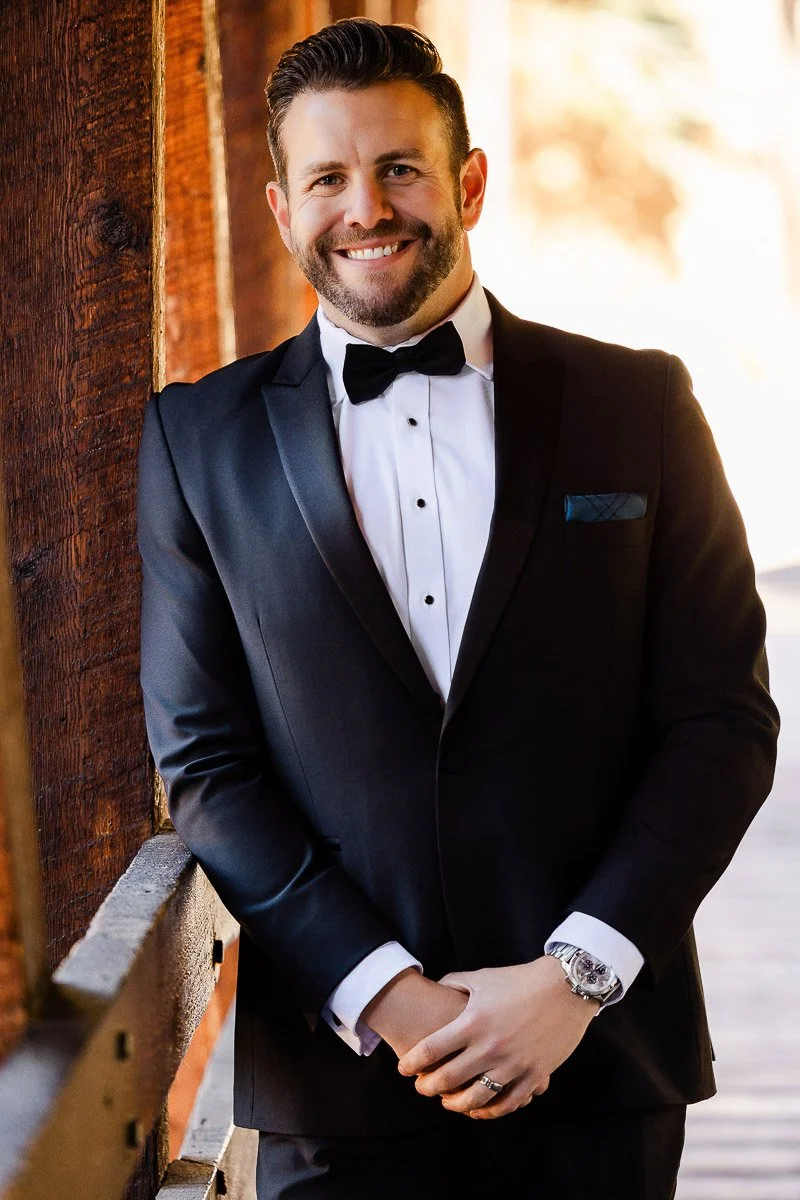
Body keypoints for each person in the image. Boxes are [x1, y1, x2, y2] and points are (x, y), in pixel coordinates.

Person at [136, 18, 779, 1199]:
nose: (365, 207)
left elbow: (721, 724)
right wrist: (382, 990)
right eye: (326, 176)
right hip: (339, 1083)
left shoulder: (638, 404)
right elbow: (207, 761)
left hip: (596, 1065)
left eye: (399, 168)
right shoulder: (195, 440)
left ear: (466, 182)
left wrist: (575, 975)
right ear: (280, 209)